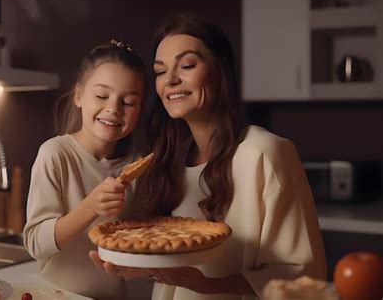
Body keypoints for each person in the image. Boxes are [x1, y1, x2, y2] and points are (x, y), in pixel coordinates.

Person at [90, 15, 326, 300]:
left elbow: (304, 278)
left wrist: (204, 284)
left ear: (220, 72)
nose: (171, 80)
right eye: (161, 71)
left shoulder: (264, 153)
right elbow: (177, 266)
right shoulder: (169, 160)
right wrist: (143, 267)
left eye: (187, 65)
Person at [23, 39, 148, 300]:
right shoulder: (55, 154)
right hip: (55, 295)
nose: (113, 108)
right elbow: (35, 243)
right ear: (79, 95)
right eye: (102, 95)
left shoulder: (139, 167)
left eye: (129, 102)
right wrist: (90, 207)